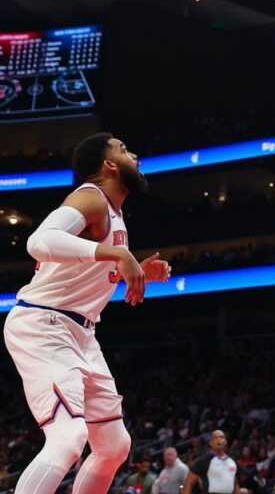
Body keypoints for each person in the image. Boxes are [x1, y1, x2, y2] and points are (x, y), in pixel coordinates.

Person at [3, 133, 170, 493]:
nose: (134, 153)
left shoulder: (114, 213)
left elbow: (83, 275)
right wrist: (119, 257)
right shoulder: (89, 197)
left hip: (80, 331)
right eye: (124, 149)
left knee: (113, 445)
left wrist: (135, 266)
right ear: (109, 164)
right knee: (68, 437)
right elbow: (39, 242)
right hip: (43, 324)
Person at [183, 430, 241, 494]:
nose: (219, 440)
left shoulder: (232, 461)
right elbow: (188, 483)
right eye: (215, 438)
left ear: (226, 442)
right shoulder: (203, 461)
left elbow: (235, 485)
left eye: (221, 437)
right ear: (210, 443)